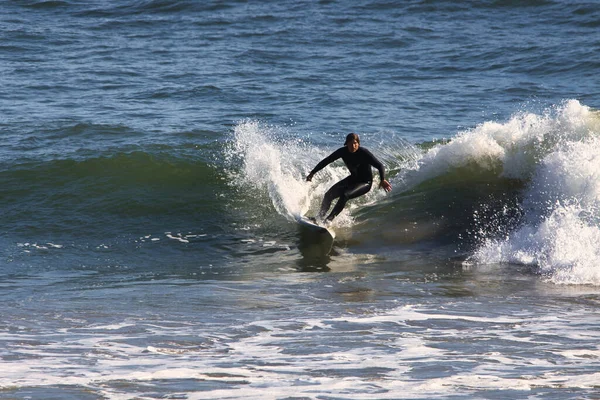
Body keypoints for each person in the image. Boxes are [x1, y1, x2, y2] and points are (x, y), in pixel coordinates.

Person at [306, 133, 392, 222]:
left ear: (358, 143)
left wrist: (382, 179)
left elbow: (380, 165)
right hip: (353, 179)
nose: (353, 146)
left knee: (345, 195)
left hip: (365, 182)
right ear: (346, 144)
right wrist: (312, 173)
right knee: (328, 195)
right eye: (350, 143)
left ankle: (329, 220)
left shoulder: (364, 153)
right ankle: (319, 217)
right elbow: (327, 161)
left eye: (355, 143)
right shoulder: (342, 151)